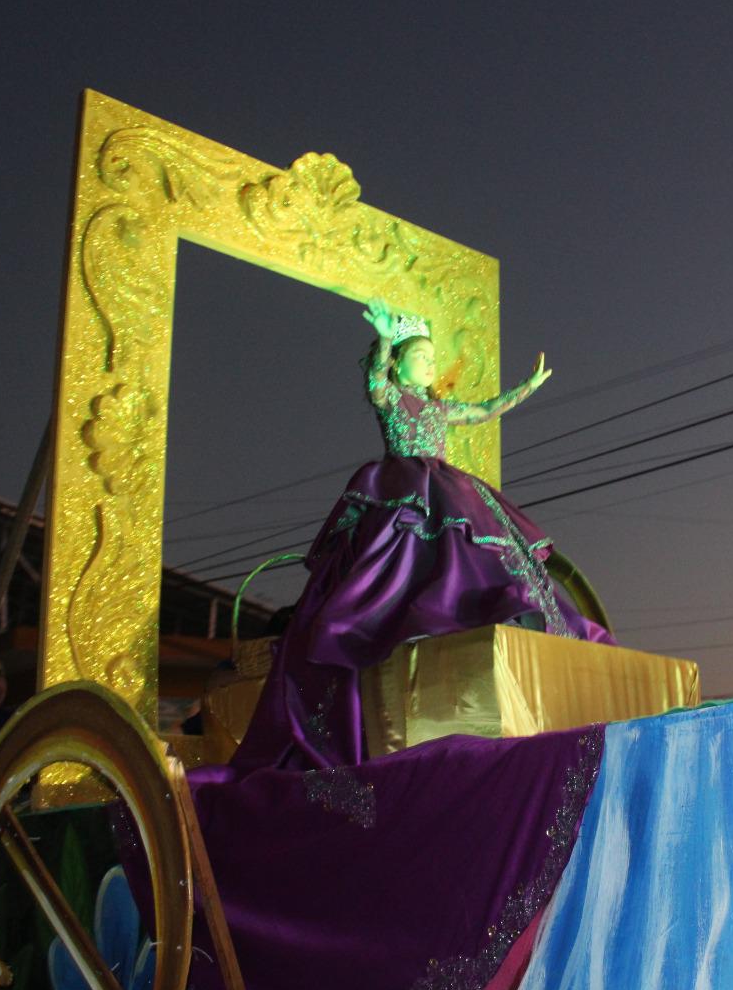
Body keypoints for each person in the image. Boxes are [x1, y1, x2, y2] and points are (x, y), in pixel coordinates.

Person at [231, 300, 615, 770]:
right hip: (401, 487)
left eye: (432, 358)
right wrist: (387, 338)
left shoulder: (437, 406)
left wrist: (526, 387)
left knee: (470, 546)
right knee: (396, 554)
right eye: (421, 356)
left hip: (445, 485)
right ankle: (398, 626)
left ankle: (472, 610)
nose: (430, 364)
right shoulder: (390, 395)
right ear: (399, 362)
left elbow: (484, 410)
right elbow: (374, 382)